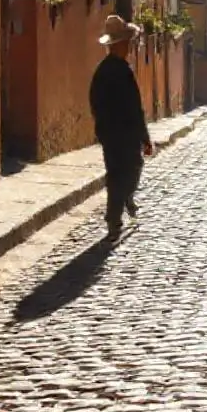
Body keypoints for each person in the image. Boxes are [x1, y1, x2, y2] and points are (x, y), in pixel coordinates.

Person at [89, 14, 155, 244]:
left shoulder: (102, 71)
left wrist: (102, 129)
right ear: (119, 45)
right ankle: (114, 219)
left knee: (117, 174)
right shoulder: (121, 71)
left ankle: (120, 207)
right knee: (128, 172)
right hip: (123, 135)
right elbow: (134, 108)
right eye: (126, 42)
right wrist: (144, 138)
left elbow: (94, 102)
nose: (129, 47)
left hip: (110, 134)